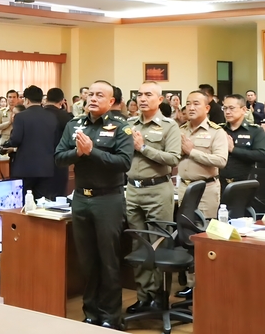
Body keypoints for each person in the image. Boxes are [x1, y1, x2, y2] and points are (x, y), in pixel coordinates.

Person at [54, 80, 133, 330]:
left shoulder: (121, 127)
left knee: (108, 259)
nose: (93, 98)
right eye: (90, 94)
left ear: (111, 101)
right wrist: (77, 153)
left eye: (100, 95)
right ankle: (91, 313)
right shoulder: (74, 125)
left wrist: (91, 151)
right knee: (87, 260)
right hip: (81, 199)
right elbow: (58, 158)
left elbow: (124, 162)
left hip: (108, 199)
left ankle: (110, 316)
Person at [125, 81, 181, 313]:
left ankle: (160, 296)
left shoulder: (169, 126)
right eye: (139, 94)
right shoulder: (129, 124)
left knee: (159, 243)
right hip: (132, 190)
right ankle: (143, 296)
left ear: (160, 99)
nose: (142, 98)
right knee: (138, 243)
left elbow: (174, 158)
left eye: (148, 94)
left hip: (157, 189)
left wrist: (143, 147)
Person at [175, 90, 228, 300]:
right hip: (184, 189)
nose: (191, 107)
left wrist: (192, 151)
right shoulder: (180, 130)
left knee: (204, 238)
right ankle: (191, 285)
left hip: (206, 190)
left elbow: (221, 161)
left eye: (196, 103)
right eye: (188, 103)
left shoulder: (216, 132)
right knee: (187, 237)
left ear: (207, 108)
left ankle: (206, 284)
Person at [3, 85, 59, 200]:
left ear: (27, 100)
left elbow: (16, 140)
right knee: (42, 202)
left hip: (25, 167)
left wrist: (7, 144)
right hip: (46, 167)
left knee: (23, 201)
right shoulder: (52, 116)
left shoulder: (21, 117)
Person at [220, 94, 265, 194]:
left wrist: (233, 150)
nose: (227, 112)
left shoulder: (255, 131)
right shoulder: (220, 130)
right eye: (225, 108)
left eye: (231, 108)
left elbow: (261, 155)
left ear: (244, 110)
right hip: (219, 183)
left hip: (244, 183)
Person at [43, 87, 73, 197]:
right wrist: (68, 112)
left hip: (40, 161)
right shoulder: (65, 116)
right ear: (62, 101)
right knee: (59, 196)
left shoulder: (39, 114)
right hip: (59, 160)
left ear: (46, 99)